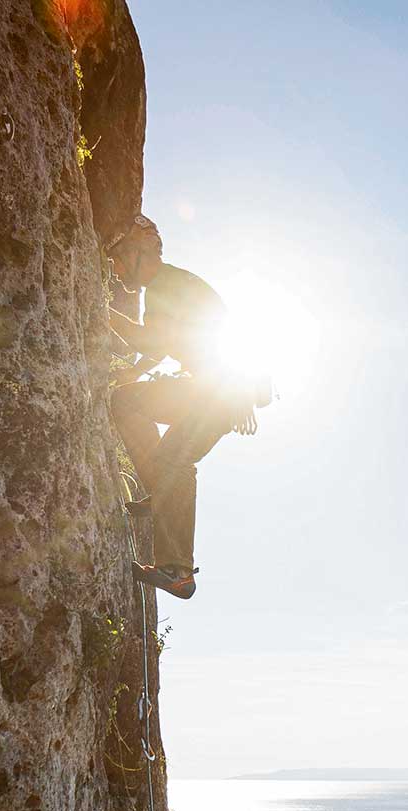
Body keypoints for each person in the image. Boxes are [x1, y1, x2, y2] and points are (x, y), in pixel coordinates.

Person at [106, 215, 261, 600]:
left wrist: (101, 314)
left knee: (174, 458)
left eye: (119, 260)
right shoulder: (165, 287)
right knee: (126, 402)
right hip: (207, 390)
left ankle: (176, 572)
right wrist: (133, 375)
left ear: (138, 254)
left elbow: (158, 341)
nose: (117, 270)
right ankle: (161, 493)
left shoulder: (166, 286)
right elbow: (160, 346)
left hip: (217, 394)